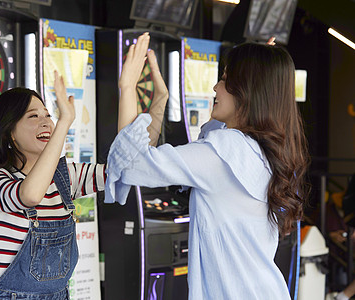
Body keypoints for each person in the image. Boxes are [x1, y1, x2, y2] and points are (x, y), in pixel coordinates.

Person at [105, 33, 310, 299]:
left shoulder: (224, 152)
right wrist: (160, 100)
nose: (215, 87)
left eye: (225, 79)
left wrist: (129, 85)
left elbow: (130, 163)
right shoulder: (263, 149)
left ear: (248, 89)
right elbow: (149, 155)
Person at [0, 64, 165, 299]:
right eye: (34, 116)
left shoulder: (64, 177)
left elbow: (129, 167)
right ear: (9, 132)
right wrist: (64, 122)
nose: (46, 122)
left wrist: (152, 98)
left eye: (48, 116)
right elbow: (29, 195)